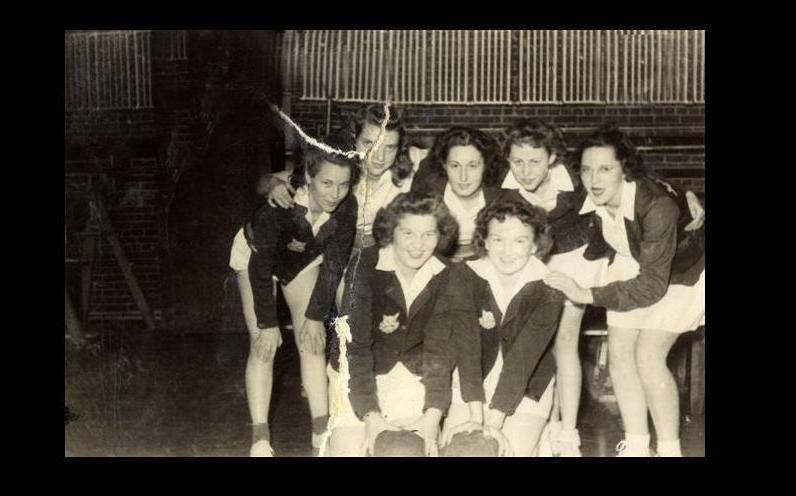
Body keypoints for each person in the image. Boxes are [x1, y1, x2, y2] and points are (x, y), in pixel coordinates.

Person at [497, 119, 706, 456]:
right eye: (587, 170)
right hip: (631, 260)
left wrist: (588, 294)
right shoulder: (590, 194)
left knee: (649, 357)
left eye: (605, 169)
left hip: (680, 272)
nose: (594, 179)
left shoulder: (655, 207)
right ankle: (637, 445)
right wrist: (687, 192)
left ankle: (670, 450)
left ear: (626, 170)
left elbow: (652, 284)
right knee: (621, 357)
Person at [229, 132, 360, 456]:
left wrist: (315, 318)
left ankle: (320, 432)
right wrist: (268, 322)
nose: (336, 193)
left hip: (301, 261)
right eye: (327, 184)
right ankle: (260, 439)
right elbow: (261, 268)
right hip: (256, 257)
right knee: (263, 343)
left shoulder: (347, 208)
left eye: (343, 185)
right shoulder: (281, 205)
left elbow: (333, 265)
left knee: (312, 340)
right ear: (308, 177)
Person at [428, 196, 566, 456]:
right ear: (485, 241)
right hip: (473, 381)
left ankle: (542, 434)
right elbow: (467, 348)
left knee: (509, 450)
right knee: (459, 450)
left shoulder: (550, 288)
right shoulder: (463, 275)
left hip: (527, 383)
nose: (507, 250)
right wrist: (475, 415)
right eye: (498, 239)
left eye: (520, 241)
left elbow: (523, 359)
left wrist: (493, 423)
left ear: (535, 245)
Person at [326, 192, 458, 456]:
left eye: (428, 234)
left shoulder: (447, 273)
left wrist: (433, 414)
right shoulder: (364, 264)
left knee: (406, 450)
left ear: (440, 235)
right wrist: (371, 416)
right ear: (391, 231)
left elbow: (440, 353)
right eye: (407, 233)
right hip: (359, 371)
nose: (418, 245)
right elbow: (354, 349)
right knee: (349, 451)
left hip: (414, 373)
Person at [411, 126, 506, 260]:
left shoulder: (501, 194)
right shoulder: (427, 191)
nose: (463, 177)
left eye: (472, 166)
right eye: (455, 166)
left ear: (485, 165)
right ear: (444, 165)